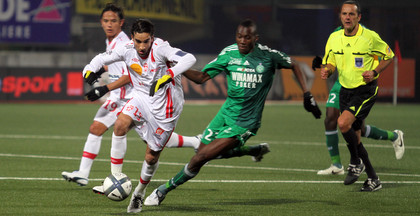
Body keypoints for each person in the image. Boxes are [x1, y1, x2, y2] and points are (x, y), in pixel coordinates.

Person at [143, 18, 321, 206]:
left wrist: (307, 94)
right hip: (225, 114)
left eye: (247, 37)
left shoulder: (268, 56)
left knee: (200, 158)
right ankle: (252, 150)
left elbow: (295, 64)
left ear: (255, 38)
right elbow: (202, 77)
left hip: (245, 122)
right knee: (204, 151)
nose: (242, 40)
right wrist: (177, 68)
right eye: (239, 36)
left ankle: (162, 190)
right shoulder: (229, 54)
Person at [61, 4, 199, 188]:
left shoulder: (137, 44)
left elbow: (131, 74)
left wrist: (104, 88)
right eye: (105, 21)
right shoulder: (119, 45)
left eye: (113, 21)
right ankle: (94, 175)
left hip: (139, 98)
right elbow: (104, 59)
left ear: (121, 23)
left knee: (153, 143)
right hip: (127, 99)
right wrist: (89, 70)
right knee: (109, 127)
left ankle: (195, 142)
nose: (109, 25)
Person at [320, 0, 395, 191]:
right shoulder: (334, 37)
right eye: (344, 14)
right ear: (340, 16)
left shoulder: (369, 37)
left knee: (342, 123)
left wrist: (375, 72)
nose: (347, 17)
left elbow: (389, 55)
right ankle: (373, 178)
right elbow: (330, 62)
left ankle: (355, 161)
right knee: (355, 136)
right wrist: (327, 70)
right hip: (345, 89)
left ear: (358, 17)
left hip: (365, 90)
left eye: (352, 14)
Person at [316, 78, 404, 175]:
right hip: (341, 81)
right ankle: (336, 165)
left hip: (358, 84)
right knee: (330, 119)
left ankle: (394, 136)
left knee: (359, 130)